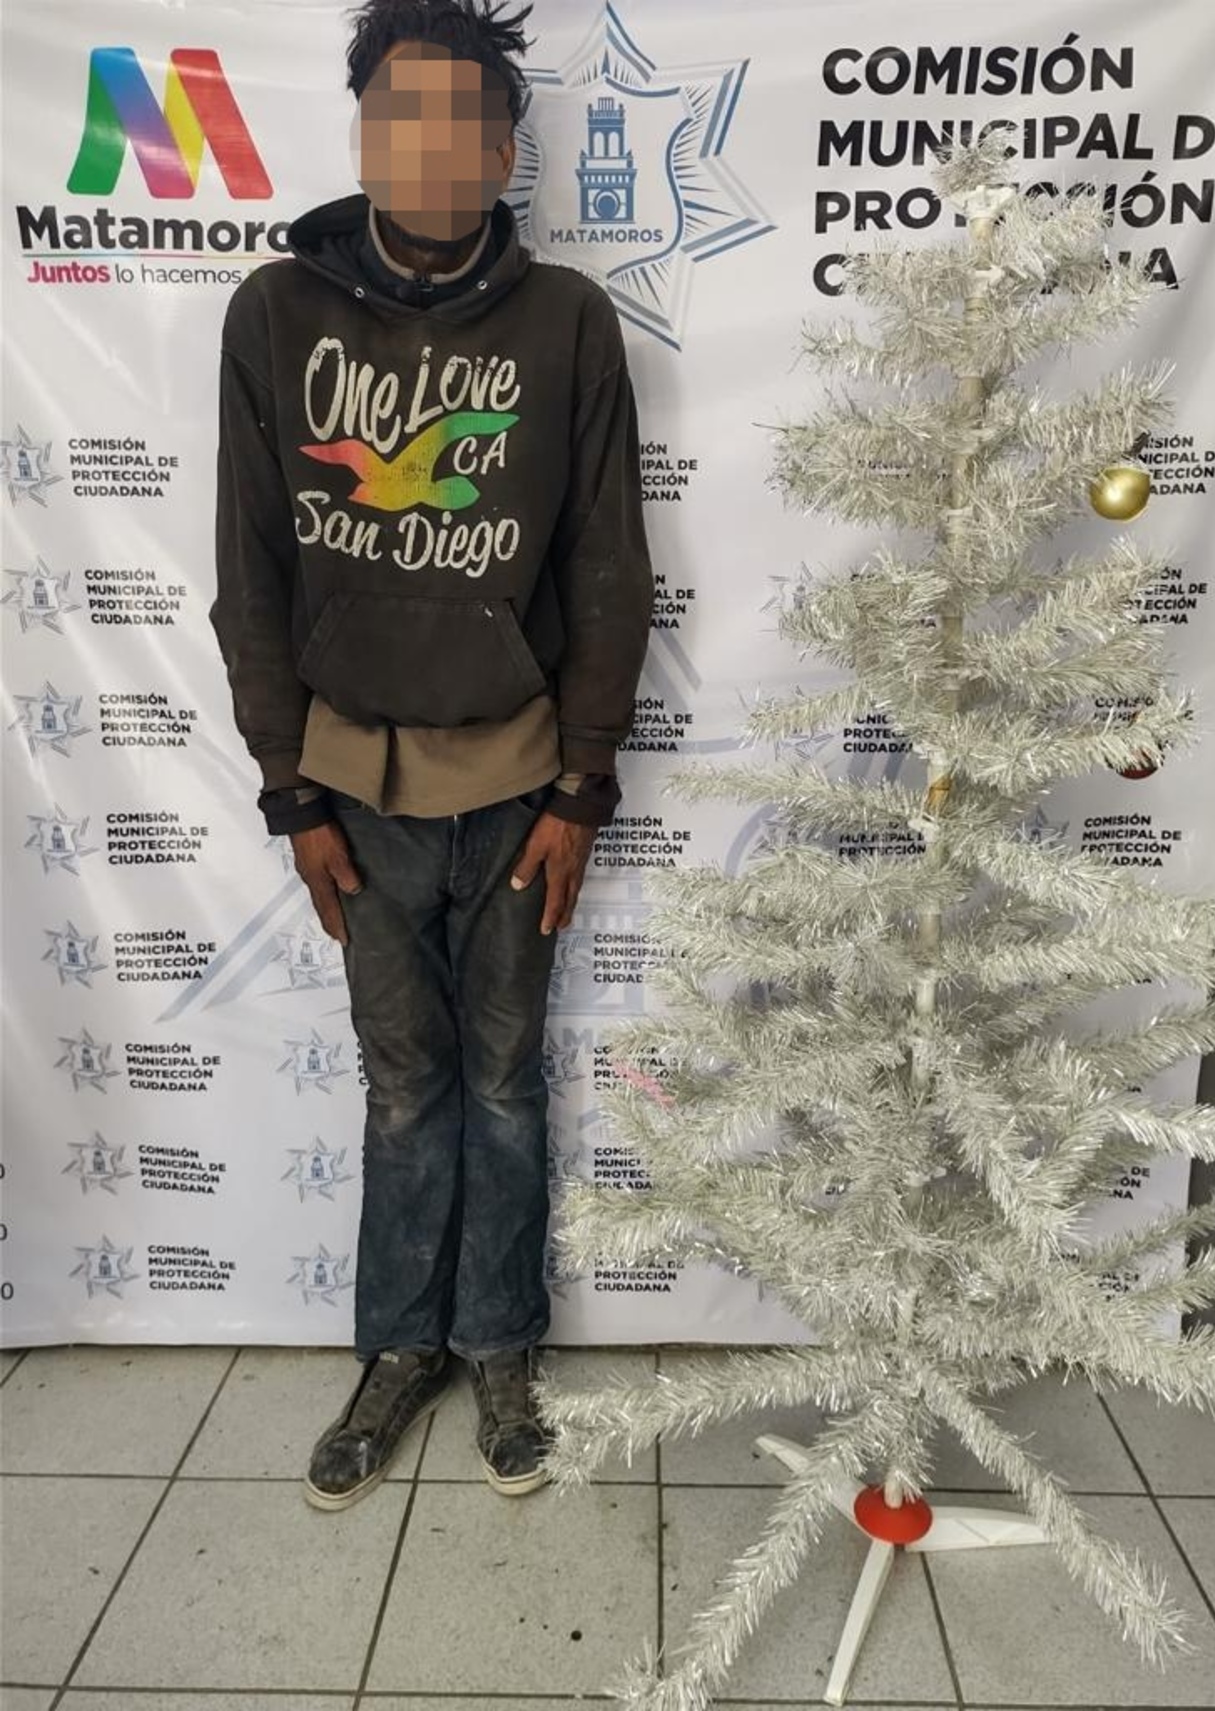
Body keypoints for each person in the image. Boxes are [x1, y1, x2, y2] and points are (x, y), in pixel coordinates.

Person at [211, 0, 653, 1510]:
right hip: (354, 786)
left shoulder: (568, 321)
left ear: (508, 149)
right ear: (362, 134)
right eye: (402, 115)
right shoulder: (276, 313)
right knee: (404, 1086)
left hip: (521, 782)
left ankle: (501, 1348)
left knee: (508, 1082)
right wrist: (289, 790)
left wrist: (583, 786)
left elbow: (608, 569)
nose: (435, 148)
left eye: (468, 121)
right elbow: (252, 566)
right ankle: (401, 1348)